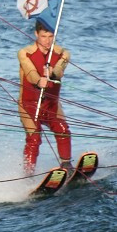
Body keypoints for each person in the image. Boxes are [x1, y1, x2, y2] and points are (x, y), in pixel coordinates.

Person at [18, 20, 72, 174]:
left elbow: (60, 70)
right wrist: (38, 80)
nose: (47, 40)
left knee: (62, 129)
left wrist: (52, 73)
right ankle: (27, 175)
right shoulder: (25, 52)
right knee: (34, 138)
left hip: (51, 104)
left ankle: (67, 167)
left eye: (50, 36)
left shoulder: (63, 53)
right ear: (36, 34)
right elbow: (29, 71)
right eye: (43, 36)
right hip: (28, 104)